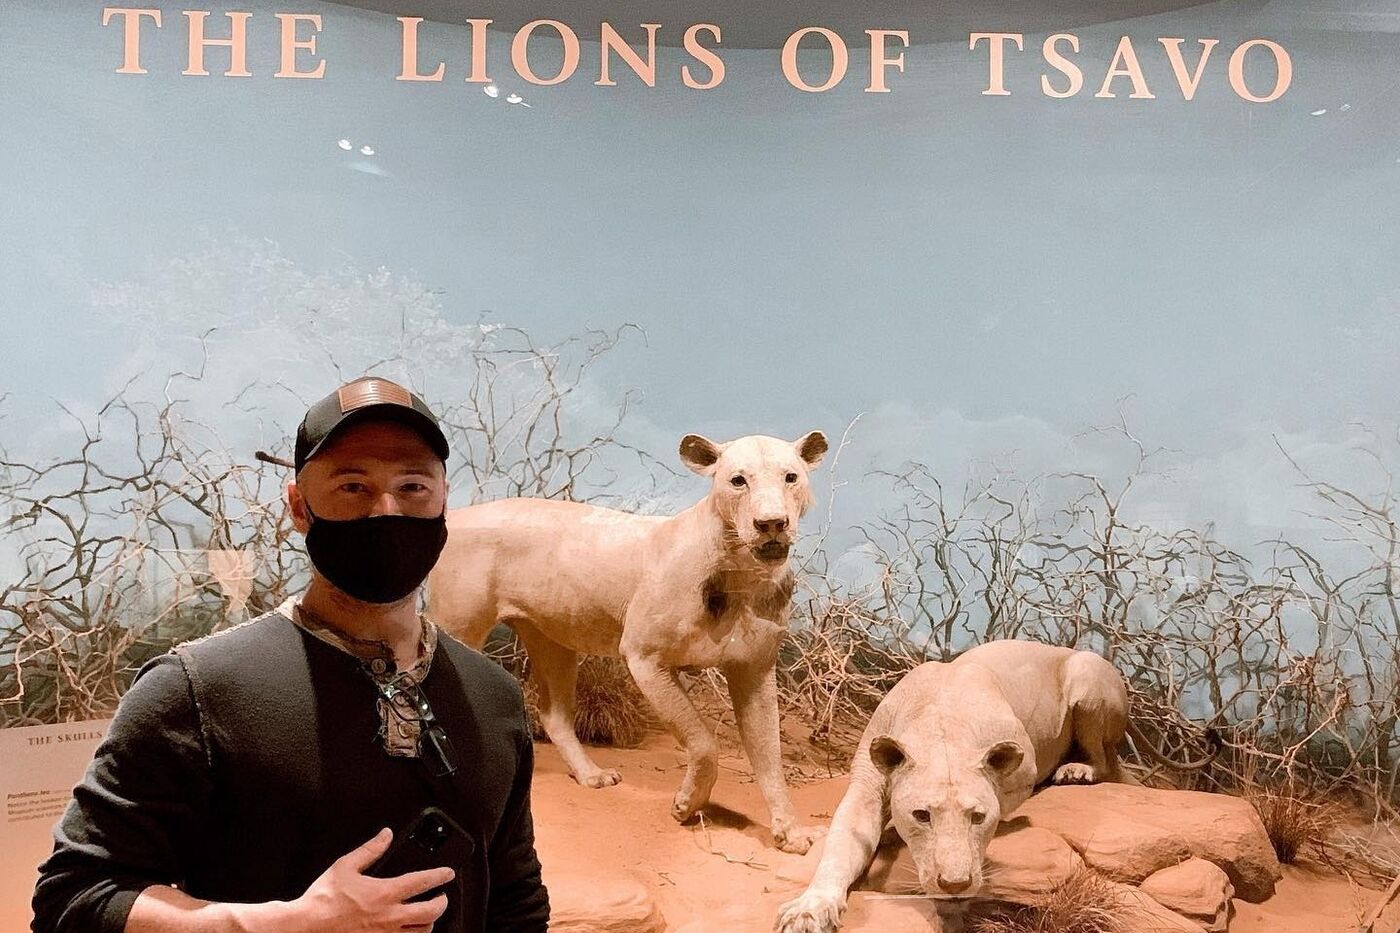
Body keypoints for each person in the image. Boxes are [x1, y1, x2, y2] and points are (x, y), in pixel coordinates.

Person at [32, 376, 549, 933]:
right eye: (353, 486)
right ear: (299, 507)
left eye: (412, 486)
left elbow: (515, 893)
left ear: (444, 499)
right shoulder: (194, 689)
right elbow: (74, 899)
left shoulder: (493, 695)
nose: (385, 510)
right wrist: (285, 924)